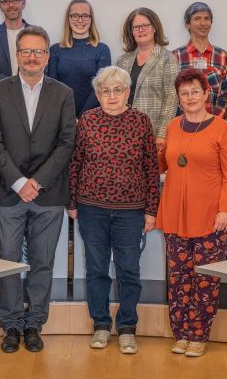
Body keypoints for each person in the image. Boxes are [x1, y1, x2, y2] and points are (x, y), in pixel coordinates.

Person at [0, 26, 76, 354]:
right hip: (9, 192)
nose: (32, 56)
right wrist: (19, 182)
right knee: (7, 259)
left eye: (39, 51)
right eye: (26, 51)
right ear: (17, 55)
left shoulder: (63, 93)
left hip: (48, 193)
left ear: (48, 56)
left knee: (42, 261)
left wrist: (37, 182)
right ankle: (10, 324)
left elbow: (67, 143)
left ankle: (34, 322)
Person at [68, 66, 159, 355]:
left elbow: (151, 168)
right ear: (97, 94)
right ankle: (101, 325)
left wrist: (151, 210)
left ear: (127, 92)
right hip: (91, 208)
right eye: (105, 91)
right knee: (96, 269)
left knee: (129, 270)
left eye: (117, 90)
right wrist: (71, 202)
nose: (111, 96)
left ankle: (128, 327)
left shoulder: (141, 122)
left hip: (131, 211)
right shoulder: (87, 121)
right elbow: (75, 163)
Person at [157, 68, 227, 358]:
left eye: (195, 91)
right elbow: (163, 165)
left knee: (204, 279)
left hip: (210, 216)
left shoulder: (222, 128)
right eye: (184, 93)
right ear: (178, 98)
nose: (190, 97)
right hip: (175, 214)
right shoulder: (173, 126)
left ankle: (199, 334)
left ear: (206, 94)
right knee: (178, 277)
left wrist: (225, 210)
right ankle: (180, 333)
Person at [116, 8, 179, 150]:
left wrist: (162, 134)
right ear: (131, 31)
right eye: (136, 27)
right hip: (124, 131)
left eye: (145, 25)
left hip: (153, 132)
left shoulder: (168, 58)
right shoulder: (122, 61)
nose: (141, 30)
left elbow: (171, 98)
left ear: (155, 28)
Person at [46, 0, 111, 116]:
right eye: (75, 15)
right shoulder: (55, 50)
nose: (80, 20)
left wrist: (83, 117)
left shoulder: (102, 50)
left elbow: (102, 87)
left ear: (91, 19)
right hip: (62, 115)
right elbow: (53, 87)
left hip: (93, 117)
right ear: (68, 19)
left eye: (85, 15)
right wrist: (69, 117)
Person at [172, 2, 227, 118]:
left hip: (214, 126)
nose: (203, 23)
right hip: (184, 125)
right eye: (197, 18)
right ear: (187, 25)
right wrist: (187, 120)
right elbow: (172, 95)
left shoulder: (222, 56)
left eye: (206, 19)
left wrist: (213, 121)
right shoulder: (175, 56)